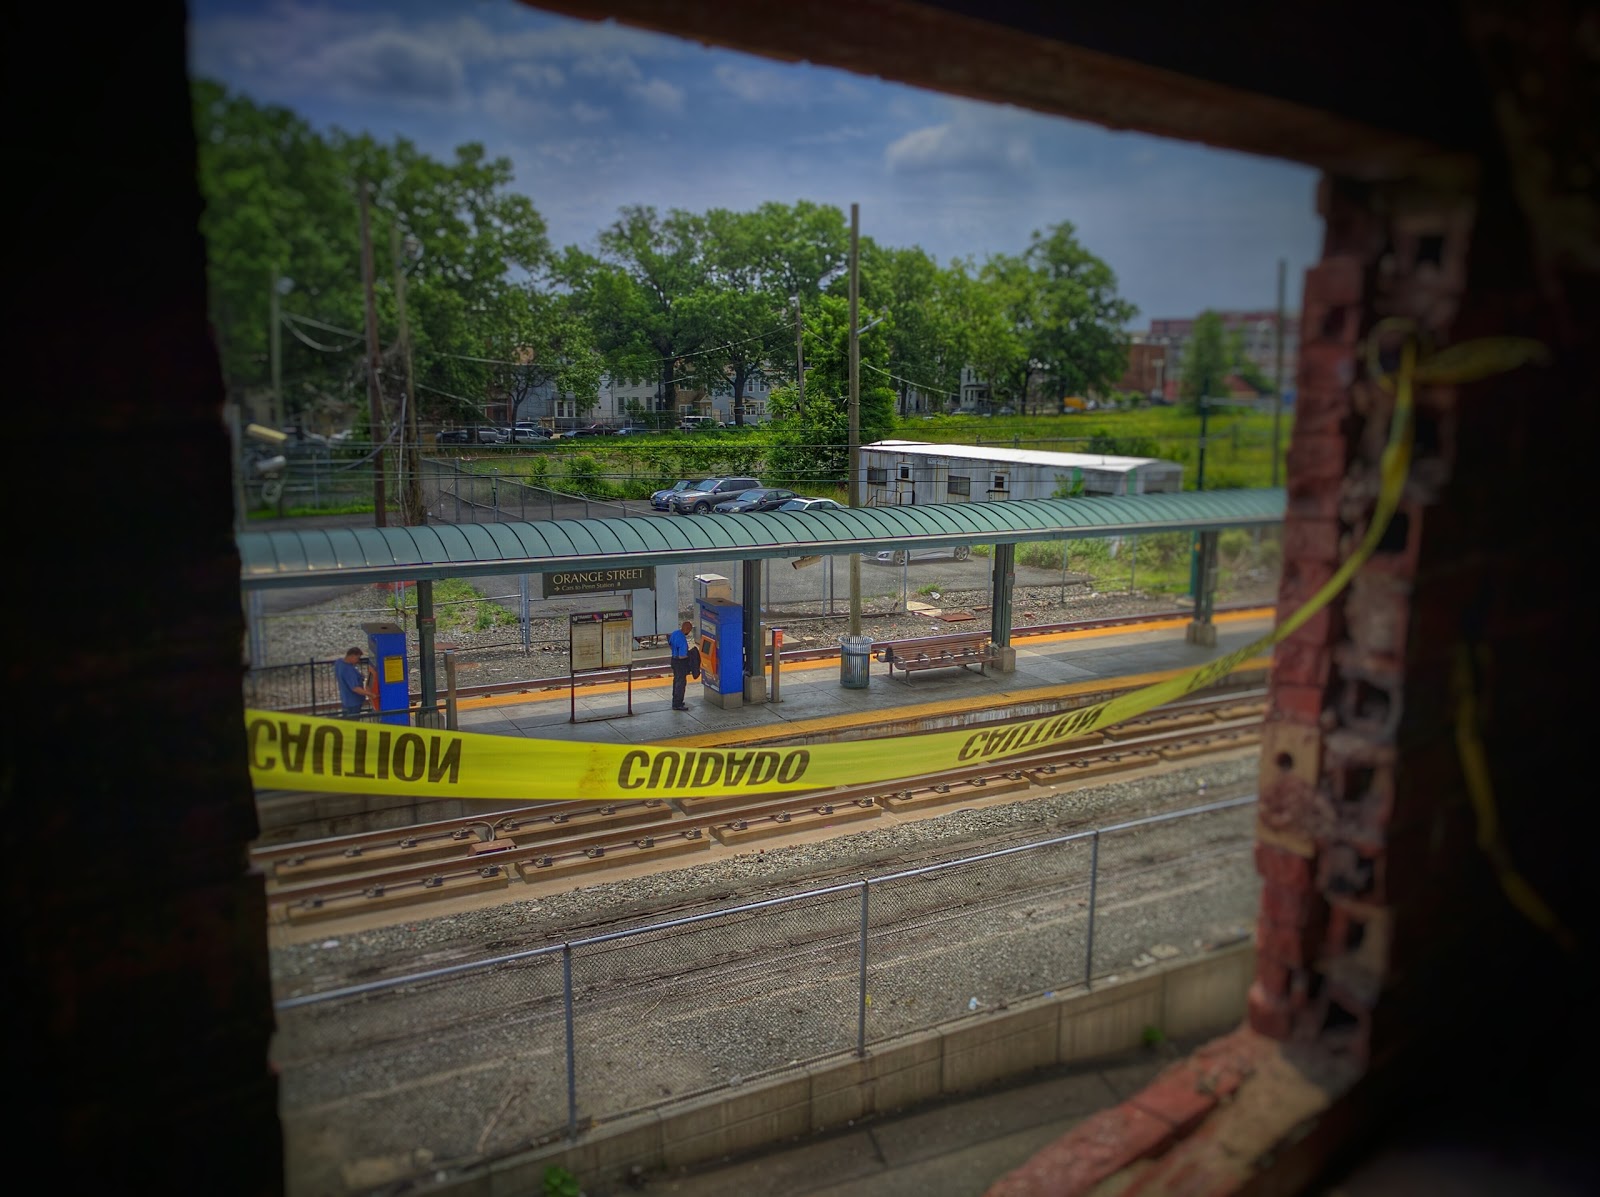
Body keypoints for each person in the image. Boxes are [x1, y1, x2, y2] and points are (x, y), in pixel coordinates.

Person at [334, 646, 375, 718]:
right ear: (352, 656)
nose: (358, 660)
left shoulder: (339, 662)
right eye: (357, 658)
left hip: (345, 699)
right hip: (354, 701)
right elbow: (355, 688)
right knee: (353, 721)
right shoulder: (349, 671)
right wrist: (370, 694)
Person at [667, 620, 695, 710]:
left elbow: (670, 644)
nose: (689, 632)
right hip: (680, 663)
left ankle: (675, 700)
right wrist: (690, 656)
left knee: (676, 681)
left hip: (673, 660)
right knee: (681, 683)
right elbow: (682, 656)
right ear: (687, 629)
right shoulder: (682, 640)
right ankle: (678, 704)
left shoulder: (675, 633)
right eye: (689, 630)